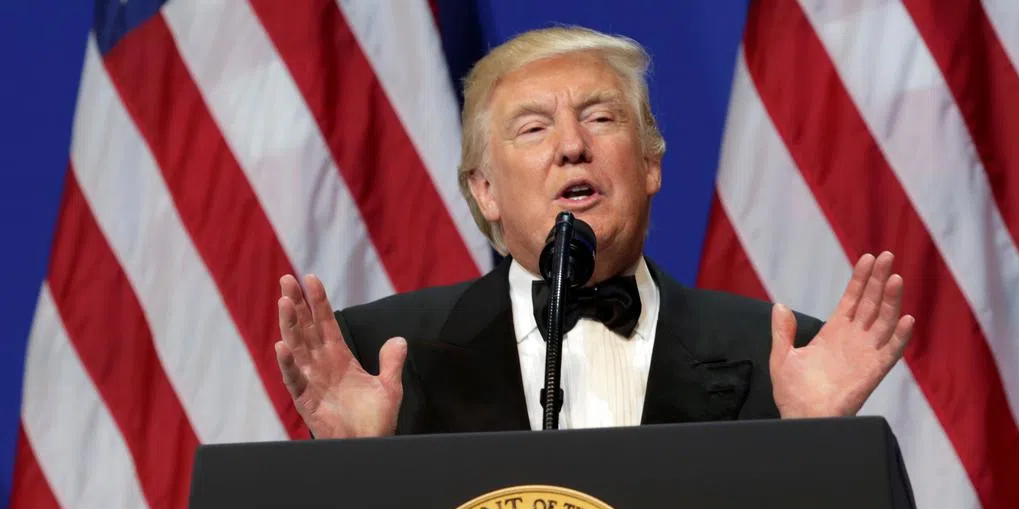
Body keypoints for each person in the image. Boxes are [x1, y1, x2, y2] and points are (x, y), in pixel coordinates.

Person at [272, 26, 914, 438]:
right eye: (533, 128)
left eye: (601, 118)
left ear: (651, 164)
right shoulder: (381, 352)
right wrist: (358, 465)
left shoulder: (781, 356)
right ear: (485, 190)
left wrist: (815, 442)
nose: (572, 146)